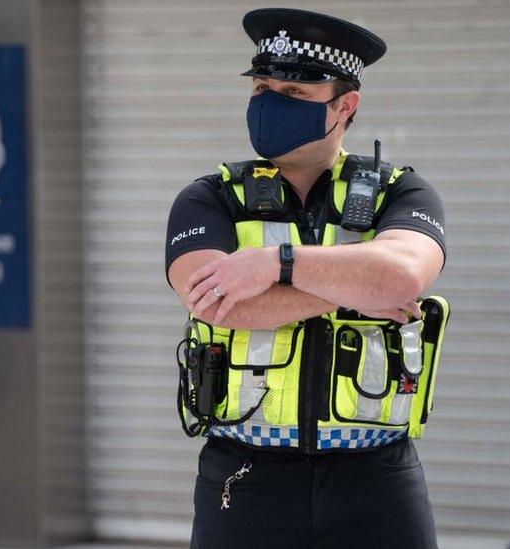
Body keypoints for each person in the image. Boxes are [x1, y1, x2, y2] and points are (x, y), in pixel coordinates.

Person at [165, 8, 451, 549]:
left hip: (378, 479)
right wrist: (351, 290)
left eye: (294, 94)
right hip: (245, 478)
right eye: (263, 87)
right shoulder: (209, 197)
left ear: (346, 105)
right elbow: (214, 302)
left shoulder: (401, 193)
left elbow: (400, 279)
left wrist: (275, 265)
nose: (271, 102)